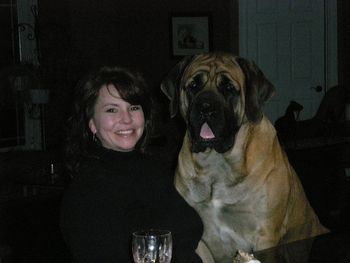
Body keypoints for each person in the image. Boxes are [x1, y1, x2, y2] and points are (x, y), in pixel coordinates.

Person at [59, 66, 203, 263]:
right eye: (112, 109)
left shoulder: (157, 169)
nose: (126, 119)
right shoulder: (86, 192)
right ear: (92, 123)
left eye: (134, 107)